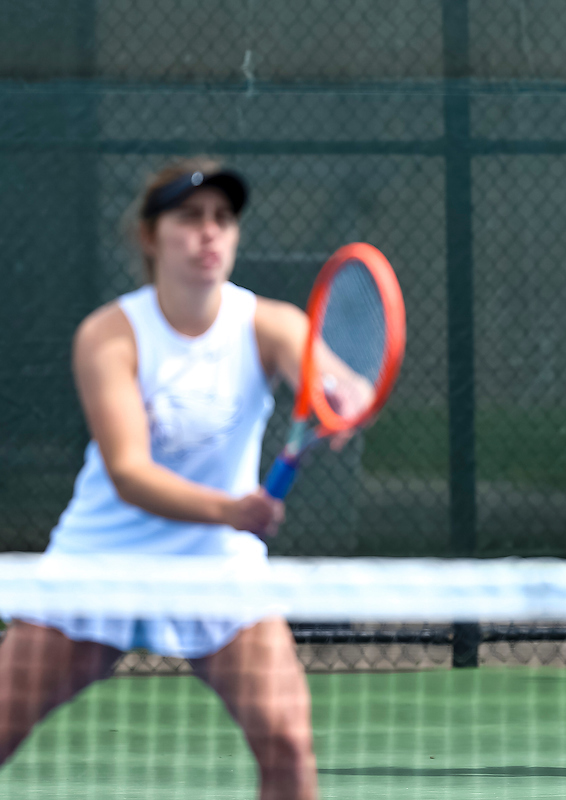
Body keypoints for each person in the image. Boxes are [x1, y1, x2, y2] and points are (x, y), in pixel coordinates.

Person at [0, 158, 321, 799]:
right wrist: (232, 510)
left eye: (223, 220)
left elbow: (337, 379)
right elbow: (130, 472)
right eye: (190, 218)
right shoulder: (110, 335)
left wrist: (347, 399)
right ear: (151, 236)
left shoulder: (272, 324)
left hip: (217, 569)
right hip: (101, 560)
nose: (210, 234)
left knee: (288, 744)